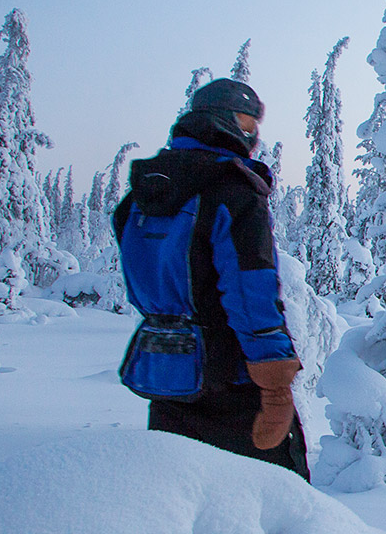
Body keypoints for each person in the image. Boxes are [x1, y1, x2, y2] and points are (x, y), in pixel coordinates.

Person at [114, 78, 307, 479]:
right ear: (222, 122)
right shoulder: (233, 193)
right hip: (233, 376)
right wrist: (274, 382)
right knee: (274, 498)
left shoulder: (139, 196)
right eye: (246, 123)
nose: (252, 135)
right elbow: (250, 290)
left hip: (166, 372)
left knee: (178, 496)